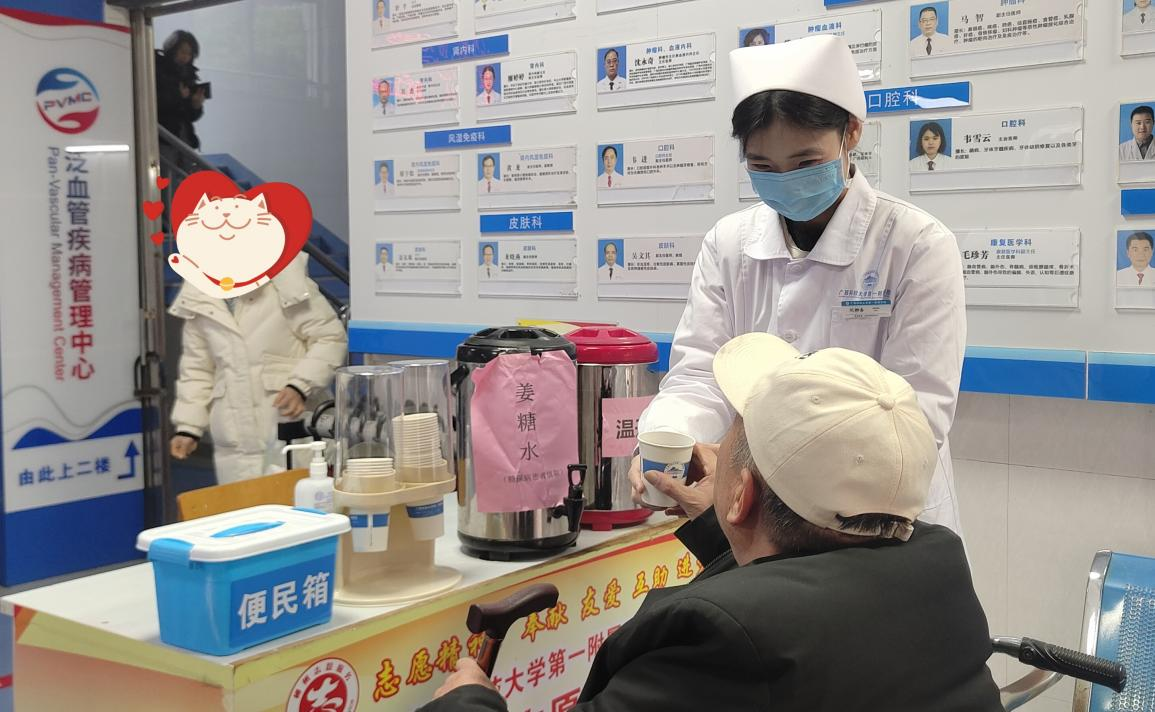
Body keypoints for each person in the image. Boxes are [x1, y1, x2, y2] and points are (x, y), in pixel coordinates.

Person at [421, 334, 1002, 712]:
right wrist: (727, 525)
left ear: (743, 493)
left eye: (733, 432)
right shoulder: (939, 565)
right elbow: (816, 583)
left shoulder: (722, 642)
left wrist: (469, 701)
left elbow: (770, 625)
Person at [631, 35, 967, 533]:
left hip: (876, 518)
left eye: (806, 163)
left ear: (851, 132)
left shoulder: (916, 245)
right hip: (757, 517)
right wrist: (670, 441)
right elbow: (700, 376)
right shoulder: (729, 243)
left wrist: (777, 477)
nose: (785, 180)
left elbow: (916, 414)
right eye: (763, 167)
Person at [169, 253, 348, 484]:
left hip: (293, 434)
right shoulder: (198, 294)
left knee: (304, 501)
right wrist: (188, 427)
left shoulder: (286, 282)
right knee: (243, 505)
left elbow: (330, 338)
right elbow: (196, 368)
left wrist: (300, 385)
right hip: (235, 444)